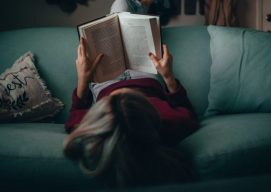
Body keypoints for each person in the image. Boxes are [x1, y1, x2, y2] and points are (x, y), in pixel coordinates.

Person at [63, 37, 198, 188]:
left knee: (114, 20)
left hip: (104, 82)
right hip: (145, 78)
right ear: (147, 111)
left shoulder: (94, 128)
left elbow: (76, 112)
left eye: (113, 99)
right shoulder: (169, 123)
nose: (123, 92)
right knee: (128, 17)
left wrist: (83, 79)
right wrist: (168, 76)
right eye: (130, 98)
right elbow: (187, 111)